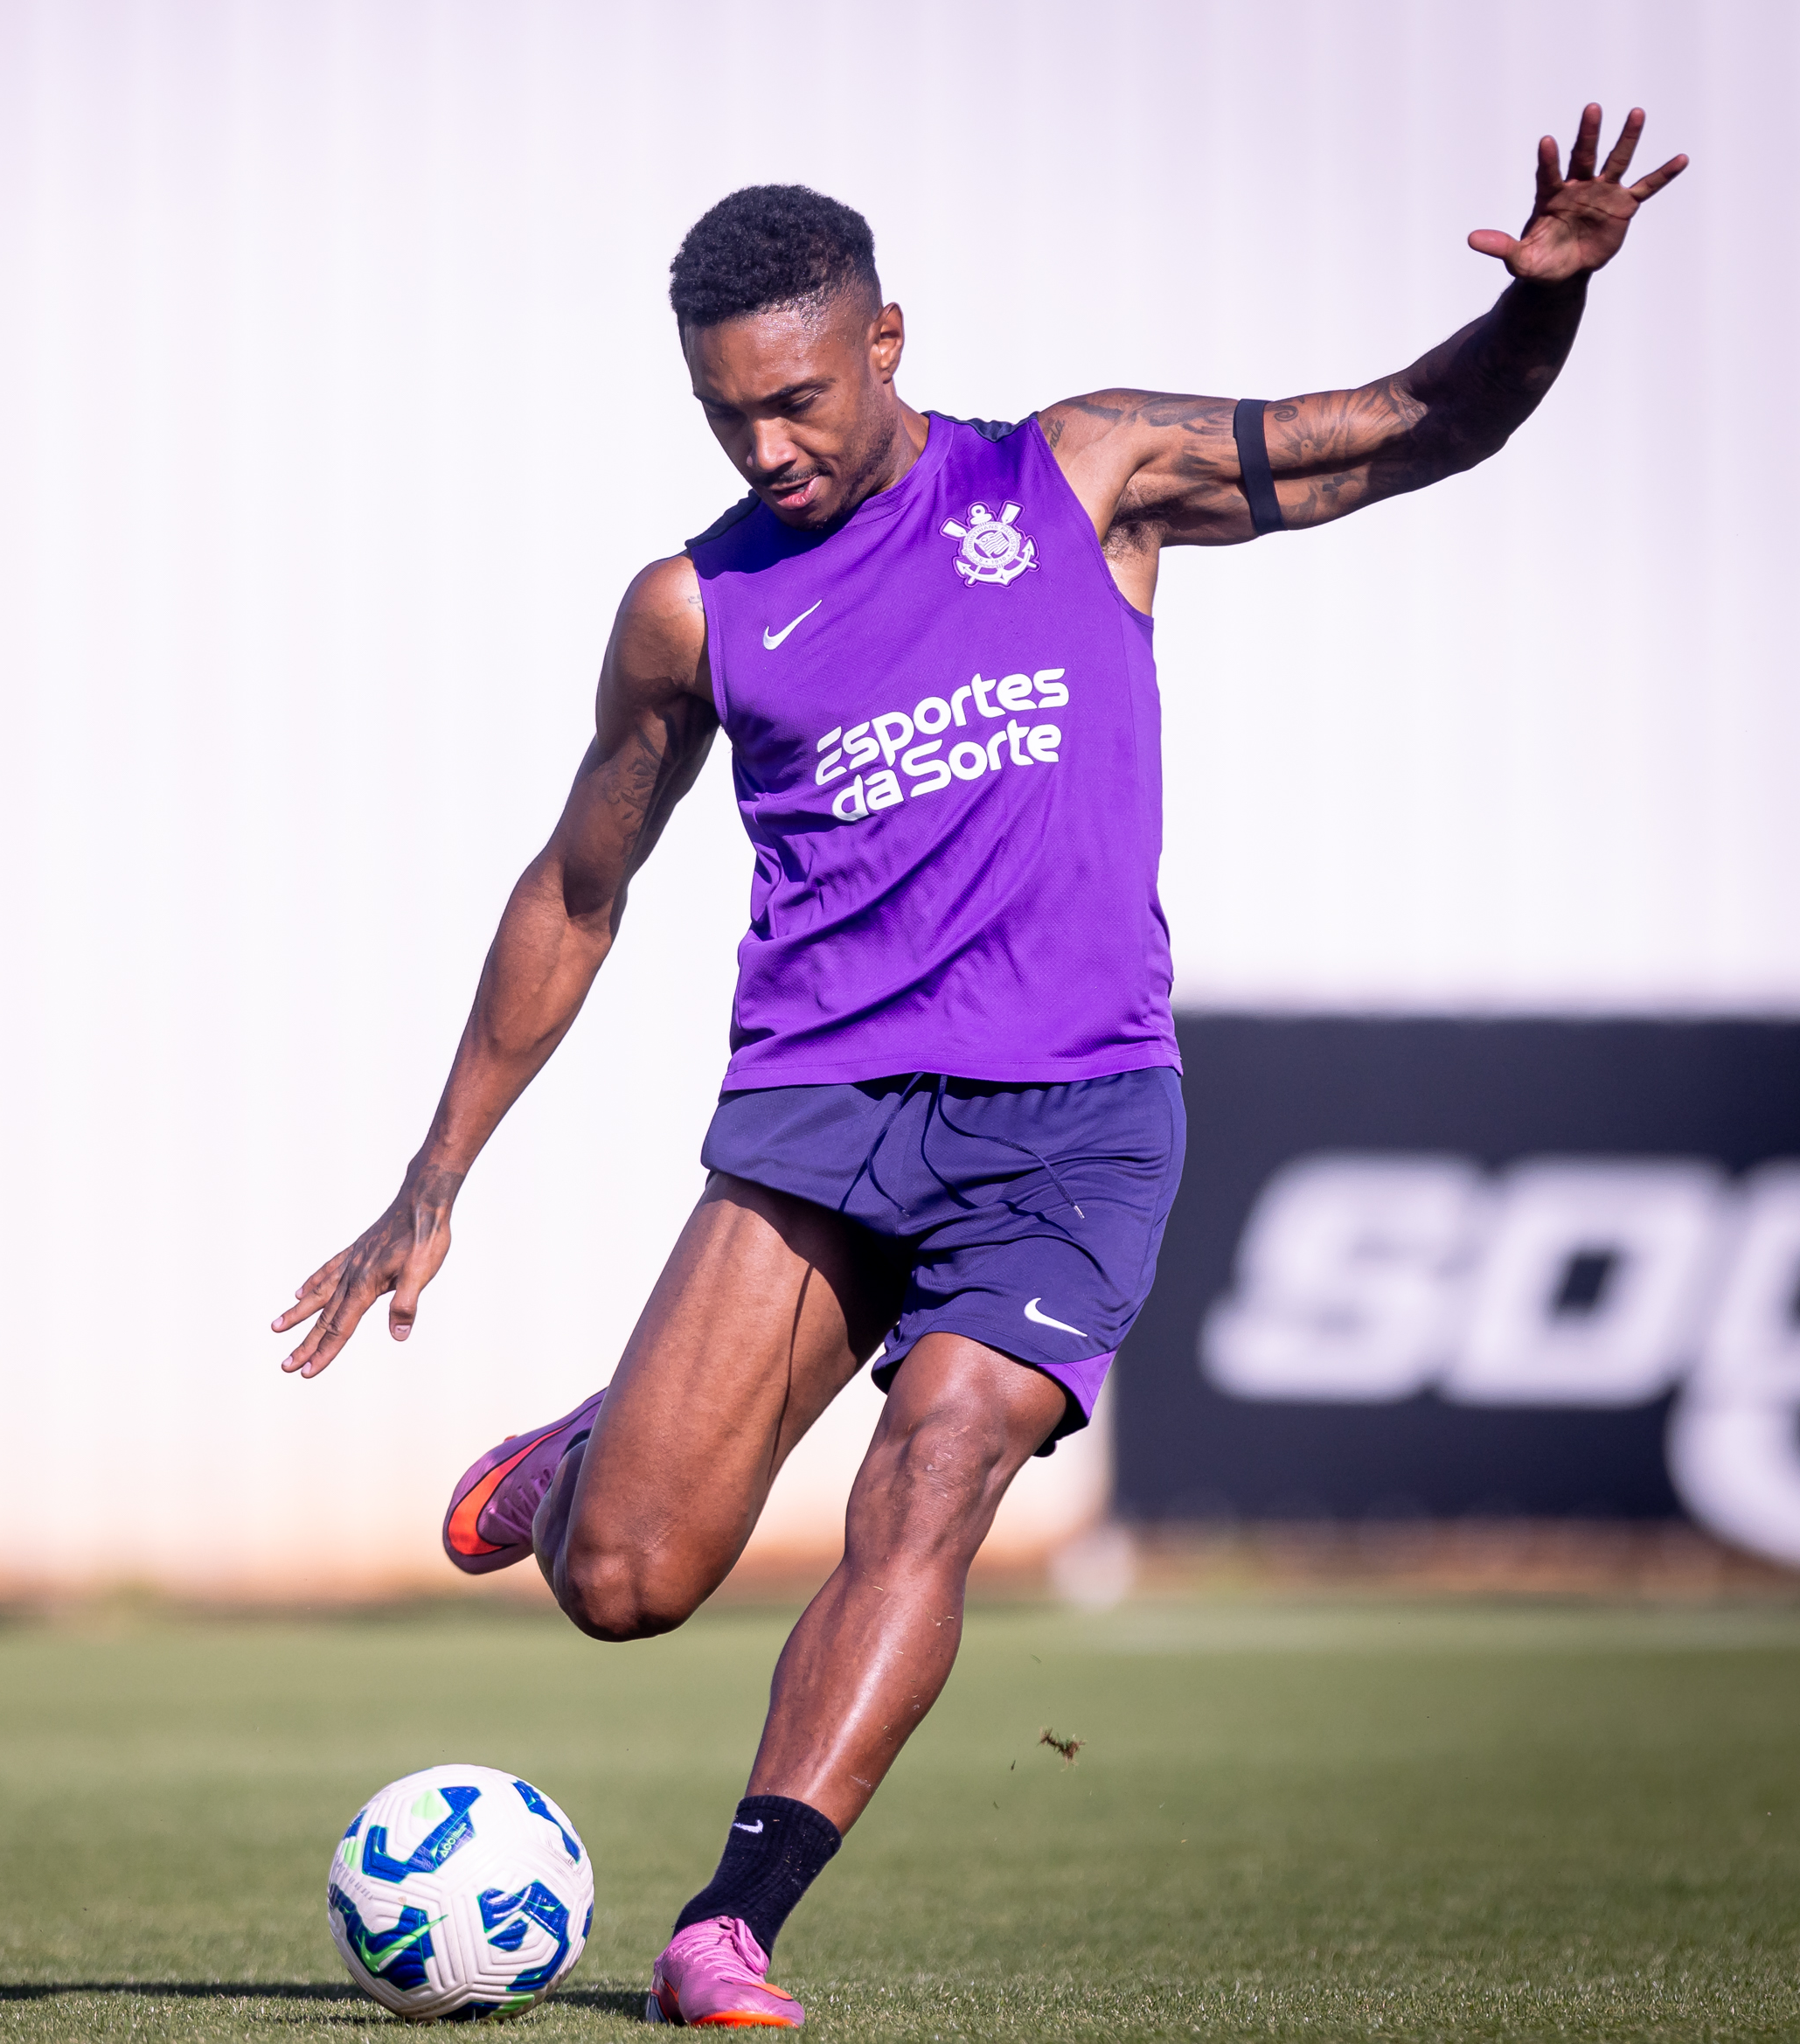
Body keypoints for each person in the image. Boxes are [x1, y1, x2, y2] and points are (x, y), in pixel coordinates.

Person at [274, 107, 1685, 2027]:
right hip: (828, 1114)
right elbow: (581, 886)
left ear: (886, 340)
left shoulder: (1083, 475)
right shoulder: (695, 610)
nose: (767, 447)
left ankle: (730, 1920)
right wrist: (432, 1176)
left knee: (936, 1466)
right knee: (626, 1580)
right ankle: (590, 1459)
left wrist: (1543, 311)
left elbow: (1407, 430)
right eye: (724, 415)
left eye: (795, 399)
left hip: (1075, 1124)